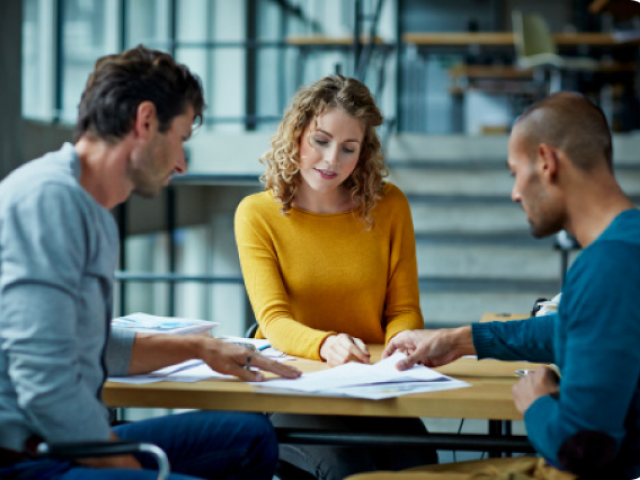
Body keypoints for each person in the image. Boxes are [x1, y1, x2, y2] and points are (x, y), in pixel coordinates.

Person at [0, 45, 300, 480]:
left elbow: (86, 342)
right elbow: (44, 382)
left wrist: (199, 348)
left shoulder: (89, 208)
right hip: (26, 456)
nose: (180, 163)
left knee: (250, 436)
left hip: (62, 440)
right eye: (179, 139)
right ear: (144, 122)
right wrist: (127, 467)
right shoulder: (48, 201)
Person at [358, 92, 640, 480]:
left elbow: (584, 448)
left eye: (515, 173)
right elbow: (575, 328)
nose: (515, 193)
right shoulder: (629, 239)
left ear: (546, 162)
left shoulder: (608, 265)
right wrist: (459, 340)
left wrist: (537, 403)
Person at [234, 75, 437, 480]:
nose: (331, 161)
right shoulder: (256, 215)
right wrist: (326, 344)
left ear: (363, 153)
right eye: (320, 141)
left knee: (419, 463)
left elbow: (404, 309)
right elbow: (273, 321)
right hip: (292, 386)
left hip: (370, 381)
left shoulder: (390, 205)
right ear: (296, 135)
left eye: (349, 149)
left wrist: (402, 341)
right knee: (349, 468)